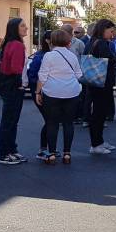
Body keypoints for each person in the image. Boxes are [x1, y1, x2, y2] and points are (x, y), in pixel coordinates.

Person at [35, 29, 82, 165]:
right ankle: (67, 153)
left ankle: (52, 153)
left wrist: (38, 92)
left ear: (53, 41)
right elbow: (79, 75)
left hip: (52, 93)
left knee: (52, 123)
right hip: (71, 92)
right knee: (68, 123)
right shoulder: (72, 56)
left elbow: (42, 76)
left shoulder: (49, 56)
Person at [0, 17, 29, 166]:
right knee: (10, 121)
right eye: (23, 26)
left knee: (10, 121)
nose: (26, 28)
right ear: (15, 28)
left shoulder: (9, 43)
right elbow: (16, 68)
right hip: (13, 87)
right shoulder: (17, 45)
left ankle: (11, 150)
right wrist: (20, 85)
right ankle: (5, 153)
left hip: (6, 85)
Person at [85, 20, 116, 155]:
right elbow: (109, 60)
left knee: (98, 113)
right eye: (111, 31)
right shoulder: (101, 43)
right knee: (99, 114)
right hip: (102, 83)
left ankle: (99, 141)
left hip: (93, 81)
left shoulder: (91, 42)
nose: (112, 35)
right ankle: (96, 143)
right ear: (104, 29)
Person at [26, 35, 51, 160]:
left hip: (51, 92)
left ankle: (49, 148)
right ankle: (43, 149)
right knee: (50, 119)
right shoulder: (40, 56)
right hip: (42, 92)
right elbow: (33, 76)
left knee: (52, 120)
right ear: (48, 40)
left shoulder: (53, 54)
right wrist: (38, 91)